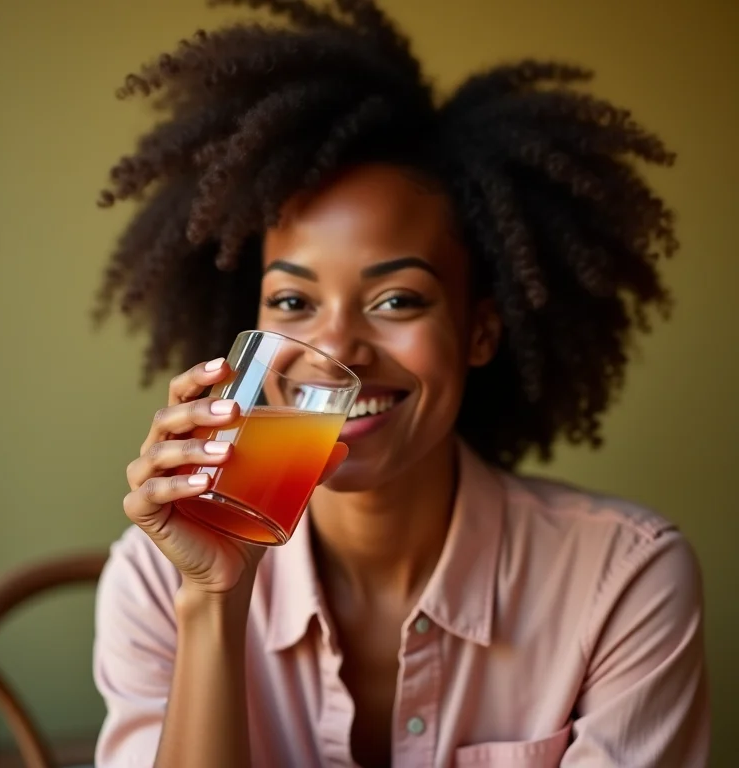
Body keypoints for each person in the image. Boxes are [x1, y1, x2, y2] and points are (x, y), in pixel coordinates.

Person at [92, 1, 709, 766]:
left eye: (397, 300)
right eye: (292, 302)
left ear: (480, 331)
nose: (338, 346)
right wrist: (215, 604)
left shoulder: (624, 581)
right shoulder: (158, 579)